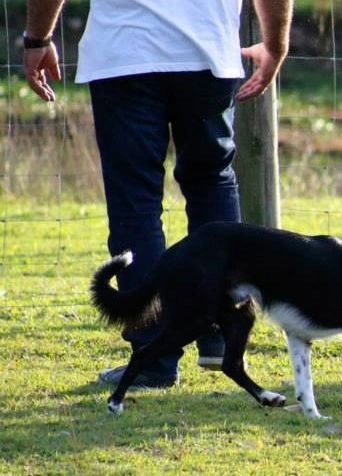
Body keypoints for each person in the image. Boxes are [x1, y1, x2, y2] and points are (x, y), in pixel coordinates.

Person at [23, 0, 293, 388]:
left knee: (136, 203)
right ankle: (220, 330)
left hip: (124, 54)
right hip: (208, 52)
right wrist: (276, 44)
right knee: (211, 182)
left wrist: (38, 37)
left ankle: (154, 356)